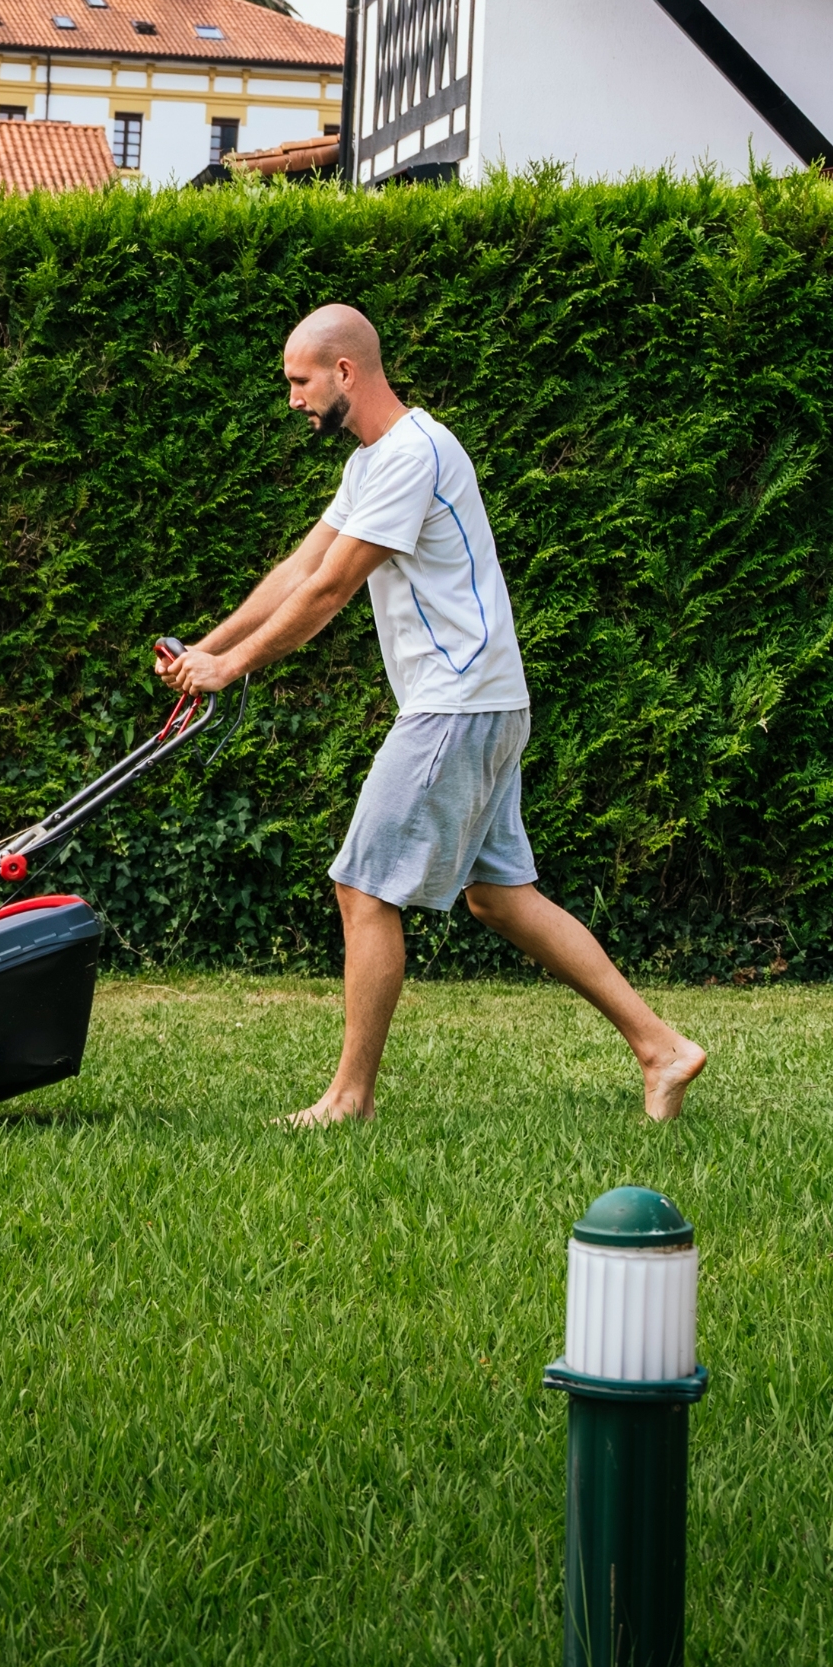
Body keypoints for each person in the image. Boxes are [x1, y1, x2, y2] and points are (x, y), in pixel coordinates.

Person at [158, 304, 705, 1126]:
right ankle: (662, 1048)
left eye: (300, 381)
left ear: (345, 371)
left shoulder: (415, 454)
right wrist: (204, 651)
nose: (293, 398)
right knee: (500, 897)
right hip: (482, 699)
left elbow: (330, 590)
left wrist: (231, 668)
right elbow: (299, 567)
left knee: (361, 885)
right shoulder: (374, 461)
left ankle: (350, 1098)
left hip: (457, 701)